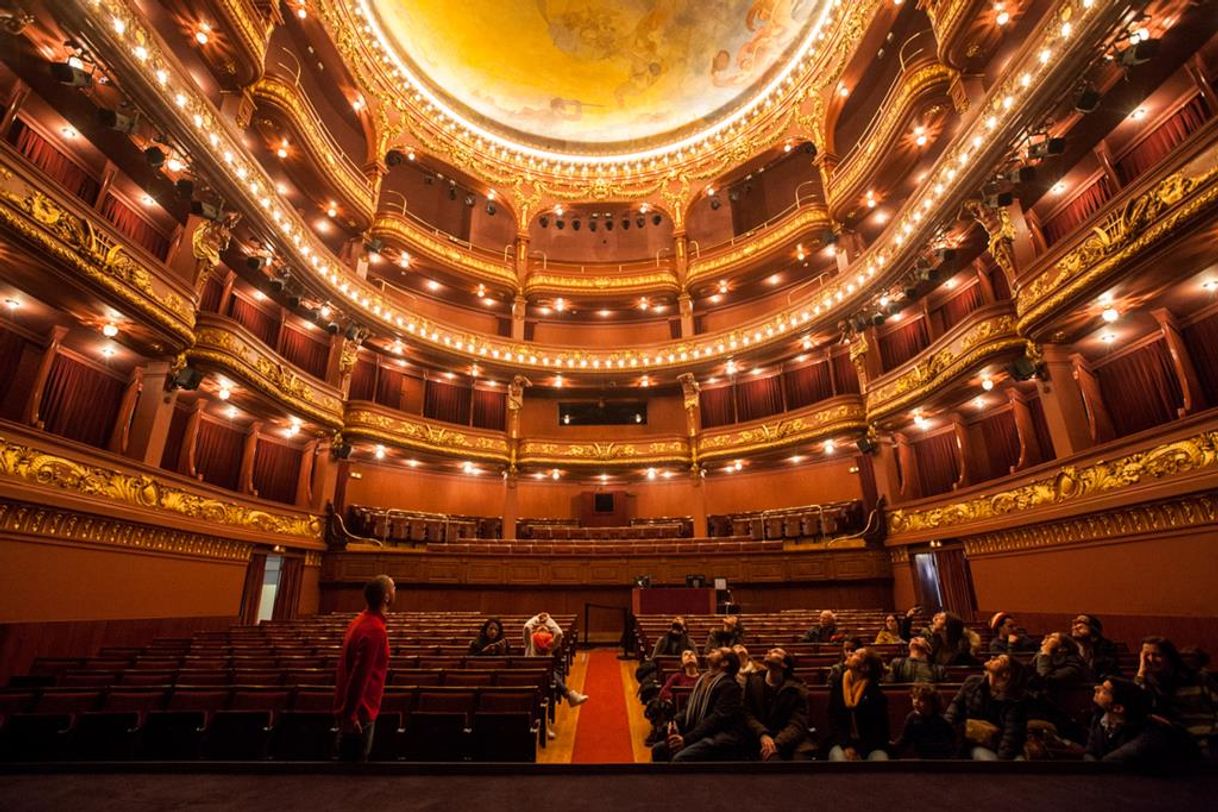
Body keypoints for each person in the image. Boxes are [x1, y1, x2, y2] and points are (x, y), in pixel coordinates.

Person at [334, 574, 395, 761]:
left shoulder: (359, 621)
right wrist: (351, 715)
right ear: (386, 596)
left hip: (353, 709)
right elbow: (359, 676)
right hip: (361, 712)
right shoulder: (374, 629)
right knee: (354, 773)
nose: (395, 591)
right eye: (394, 588)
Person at [652, 648, 746, 762]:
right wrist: (675, 722)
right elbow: (688, 708)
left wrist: (686, 740)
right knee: (658, 749)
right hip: (701, 733)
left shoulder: (730, 687)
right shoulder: (704, 679)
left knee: (679, 759)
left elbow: (715, 720)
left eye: (718, 651)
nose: (712, 650)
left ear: (724, 663)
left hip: (718, 738)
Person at [1086, 677, 1198, 769]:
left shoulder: (1150, 732)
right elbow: (1090, 752)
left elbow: (1112, 761)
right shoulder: (1100, 718)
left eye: (1104, 691)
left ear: (1118, 708)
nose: (1096, 688)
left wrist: (1096, 768)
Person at [1136, 636, 1217, 754]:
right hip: (1170, 742)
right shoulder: (1147, 682)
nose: (1151, 659)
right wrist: (1141, 673)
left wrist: (1213, 737)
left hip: (1205, 740)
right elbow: (1135, 704)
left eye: (1157, 655)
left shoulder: (1199, 678)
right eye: (1146, 655)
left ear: (1170, 657)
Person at [944, 654, 1028, 760]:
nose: (992, 657)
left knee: (1020, 763)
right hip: (975, 741)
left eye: (1000, 660)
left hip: (1004, 744)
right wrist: (945, 730)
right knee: (988, 759)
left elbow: (1011, 735)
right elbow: (954, 709)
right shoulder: (972, 682)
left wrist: (1003, 763)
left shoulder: (1014, 699)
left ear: (1006, 674)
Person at [742, 648, 814, 760]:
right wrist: (763, 734)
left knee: (800, 761)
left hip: (790, 740)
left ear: (784, 665)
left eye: (776, 652)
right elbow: (747, 714)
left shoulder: (797, 689)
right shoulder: (753, 681)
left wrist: (777, 743)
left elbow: (797, 724)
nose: (769, 651)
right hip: (758, 738)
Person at [826, 646, 889, 760]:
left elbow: (879, 730)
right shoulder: (838, 685)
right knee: (840, 760)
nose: (849, 654)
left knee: (880, 761)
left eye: (856, 654)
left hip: (871, 746)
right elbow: (833, 721)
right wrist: (846, 746)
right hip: (842, 742)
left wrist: (860, 751)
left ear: (865, 667)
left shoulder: (874, 692)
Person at [523, 612, 588, 710]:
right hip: (530, 673)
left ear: (550, 634)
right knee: (551, 673)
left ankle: (569, 695)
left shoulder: (551, 645)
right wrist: (540, 618)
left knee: (550, 673)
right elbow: (527, 627)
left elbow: (559, 633)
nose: (542, 628)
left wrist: (546, 619)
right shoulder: (530, 642)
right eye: (540, 627)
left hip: (545, 676)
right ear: (535, 631)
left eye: (546, 628)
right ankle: (569, 695)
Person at [890, 683, 956, 759]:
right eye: (914, 698)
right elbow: (904, 741)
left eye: (921, 699)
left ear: (932, 703)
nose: (916, 702)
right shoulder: (912, 718)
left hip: (941, 759)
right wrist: (891, 747)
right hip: (922, 759)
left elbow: (952, 739)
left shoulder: (940, 720)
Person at [1070, 614, 1122, 679]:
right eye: (1074, 623)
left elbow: (1111, 670)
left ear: (1094, 629)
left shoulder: (1107, 646)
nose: (1076, 627)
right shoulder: (1064, 645)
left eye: (1082, 622)